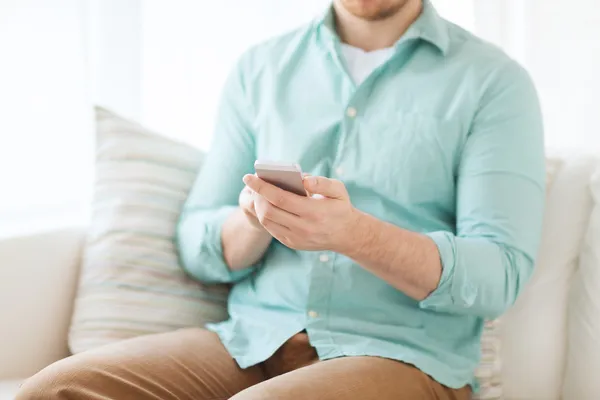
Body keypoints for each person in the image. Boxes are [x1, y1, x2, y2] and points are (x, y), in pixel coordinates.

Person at [17, 0, 545, 399]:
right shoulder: (261, 70)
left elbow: (498, 274)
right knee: (54, 391)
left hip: (403, 359)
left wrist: (355, 234)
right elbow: (198, 241)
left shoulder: (493, 83)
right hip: (253, 340)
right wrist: (253, 220)